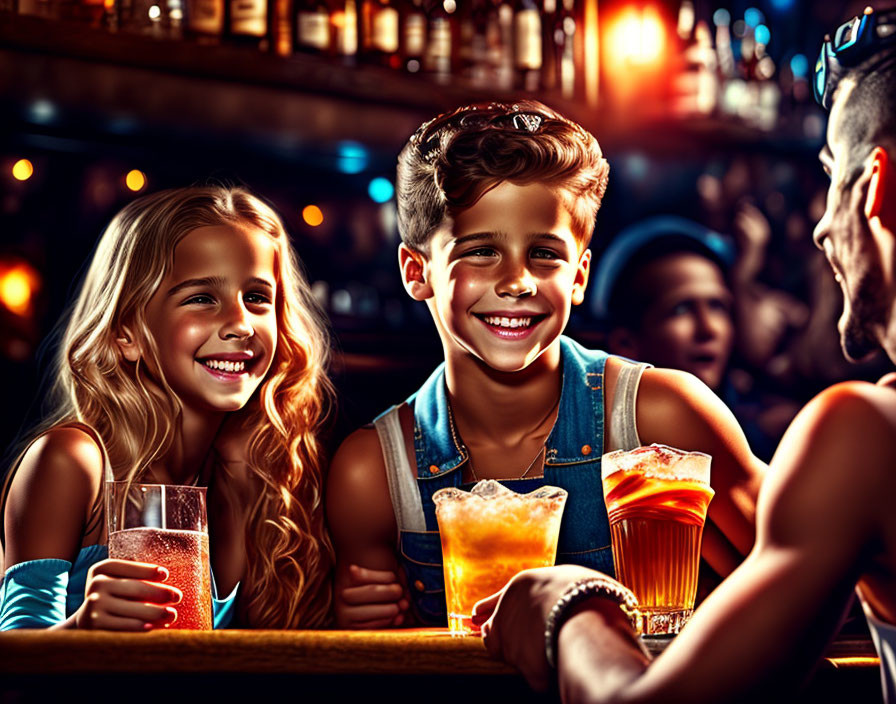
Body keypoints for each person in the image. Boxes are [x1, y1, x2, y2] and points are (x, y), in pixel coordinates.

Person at [474, 8, 896, 702]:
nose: (822, 228)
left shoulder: (864, 435)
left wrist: (572, 608)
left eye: (832, 179)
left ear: (879, 187)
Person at [326, 100, 765, 629]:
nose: (517, 282)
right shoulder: (371, 474)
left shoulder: (665, 416)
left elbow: (811, 575)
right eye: (481, 251)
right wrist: (360, 623)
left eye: (544, 254)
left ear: (579, 276)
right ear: (416, 271)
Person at [0, 185, 334, 630]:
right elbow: (16, 658)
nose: (239, 324)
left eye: (257, 297)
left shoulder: (247, 481)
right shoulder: (72, 462)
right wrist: (81, 629)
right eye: (201, 298)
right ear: (126, 334)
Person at [592, 216, 798, 461]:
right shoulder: (596, 451)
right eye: (681, 309)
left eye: (717, 306)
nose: (708, 329)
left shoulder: (780, 435)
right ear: (625, 343)